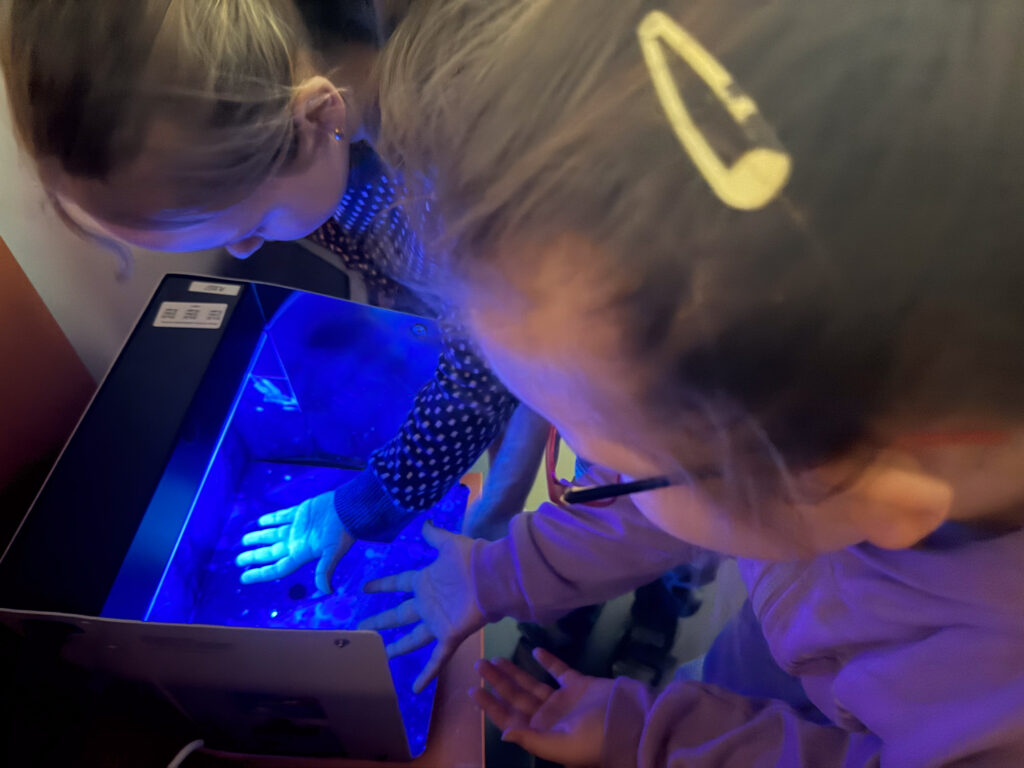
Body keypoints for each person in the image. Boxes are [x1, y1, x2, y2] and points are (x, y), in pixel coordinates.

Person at [356, 0, 1024, 764]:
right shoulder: (819, 452)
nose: (595, 474)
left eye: (614, 464)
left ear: (868, 492)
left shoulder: (993, 718)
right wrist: (497, 574)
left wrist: (658, 738)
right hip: (783, 647)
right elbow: (688, 492)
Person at [0, 0, 546, 594]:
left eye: (251, 226)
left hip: (544, 327)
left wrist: (367, 502)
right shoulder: (333, 128)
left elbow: (491, 356)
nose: (242, 250)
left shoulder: (456, 157)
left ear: (316, 118)